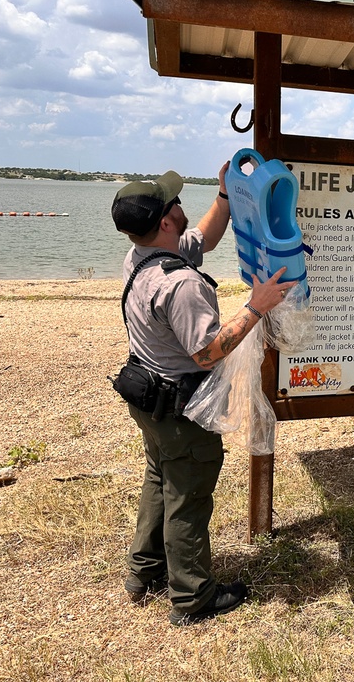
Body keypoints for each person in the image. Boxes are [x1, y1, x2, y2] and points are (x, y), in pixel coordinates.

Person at [110, 163, 288, 626]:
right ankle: (192, 596)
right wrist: (256, 306)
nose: (181, 206)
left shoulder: (141, 257)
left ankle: (144, 572)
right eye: (175, 203)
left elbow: (202, 239)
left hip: (147, 398)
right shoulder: (181, 285)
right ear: (167, 221)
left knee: (160, 479)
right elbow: (209, 352)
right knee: (187, 495)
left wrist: (225, 197)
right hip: (180, 409)